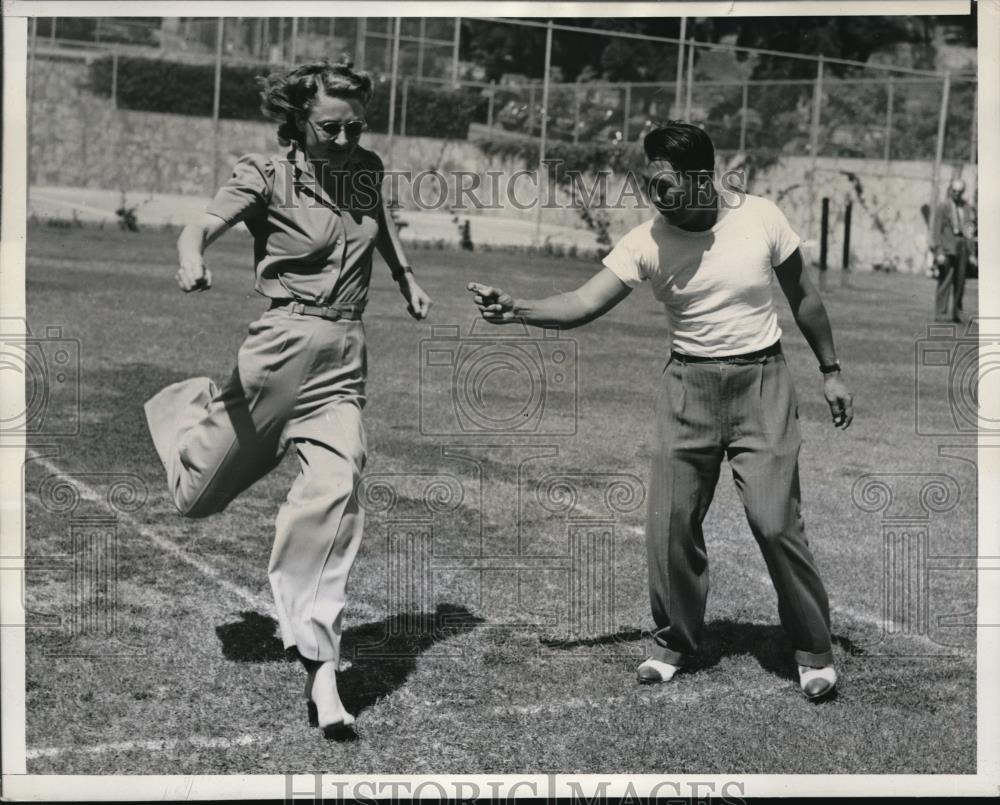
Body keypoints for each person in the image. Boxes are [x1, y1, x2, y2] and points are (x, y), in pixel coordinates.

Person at [468, 122, 853, 702]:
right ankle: (674, 639)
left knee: (775, 521)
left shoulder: (762, 217)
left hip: (762, 383)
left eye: (667, 185)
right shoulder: (646, 241)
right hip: (687, 389)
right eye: (649, 184)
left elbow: (803, 295)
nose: (656, 196)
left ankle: (812, 647)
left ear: (703, 179)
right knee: (670, 526)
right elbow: (582, 302)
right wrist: (518, 307)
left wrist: (831, 371)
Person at [144, 57, 432, 739]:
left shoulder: (365, 165)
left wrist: (408, 278)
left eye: (354, 126)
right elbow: (200, 227)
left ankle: (321, 667)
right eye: (330, 126)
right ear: (298, 120)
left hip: (342, 360)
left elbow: (382, 223)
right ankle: (188, 408)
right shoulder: (263, 173)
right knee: (195, 498)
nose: (343, 138)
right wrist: (192, 256)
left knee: (335, 492)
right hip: (276, 354)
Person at [932, 179, 977, 323]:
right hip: (947, 249)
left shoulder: (967, 208)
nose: (957, 194)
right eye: (954, 191)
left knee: (960, 282)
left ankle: (957, 314)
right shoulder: (943, 207)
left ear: (963, 192)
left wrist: (972, 254)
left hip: (962, 248)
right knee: (945, 281)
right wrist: (938, 252)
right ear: (950, 190)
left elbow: (969, 232)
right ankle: (940, 313)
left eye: (960, 191)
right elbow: (936, 230)